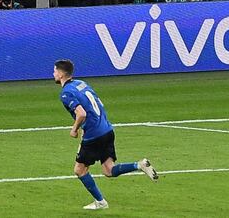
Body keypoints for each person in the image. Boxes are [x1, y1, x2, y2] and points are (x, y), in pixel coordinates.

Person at [53, 59, 158, 210]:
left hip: (94, 135)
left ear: (62, 74)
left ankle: (101, 202)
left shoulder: (66, 93)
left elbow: (81, 114)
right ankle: (140, 165)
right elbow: (97, 104)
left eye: (55, 70)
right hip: (107, 130)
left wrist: (74, 129)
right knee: (109, 170)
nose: (53, 73)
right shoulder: (81, 83)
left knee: (79, 170)